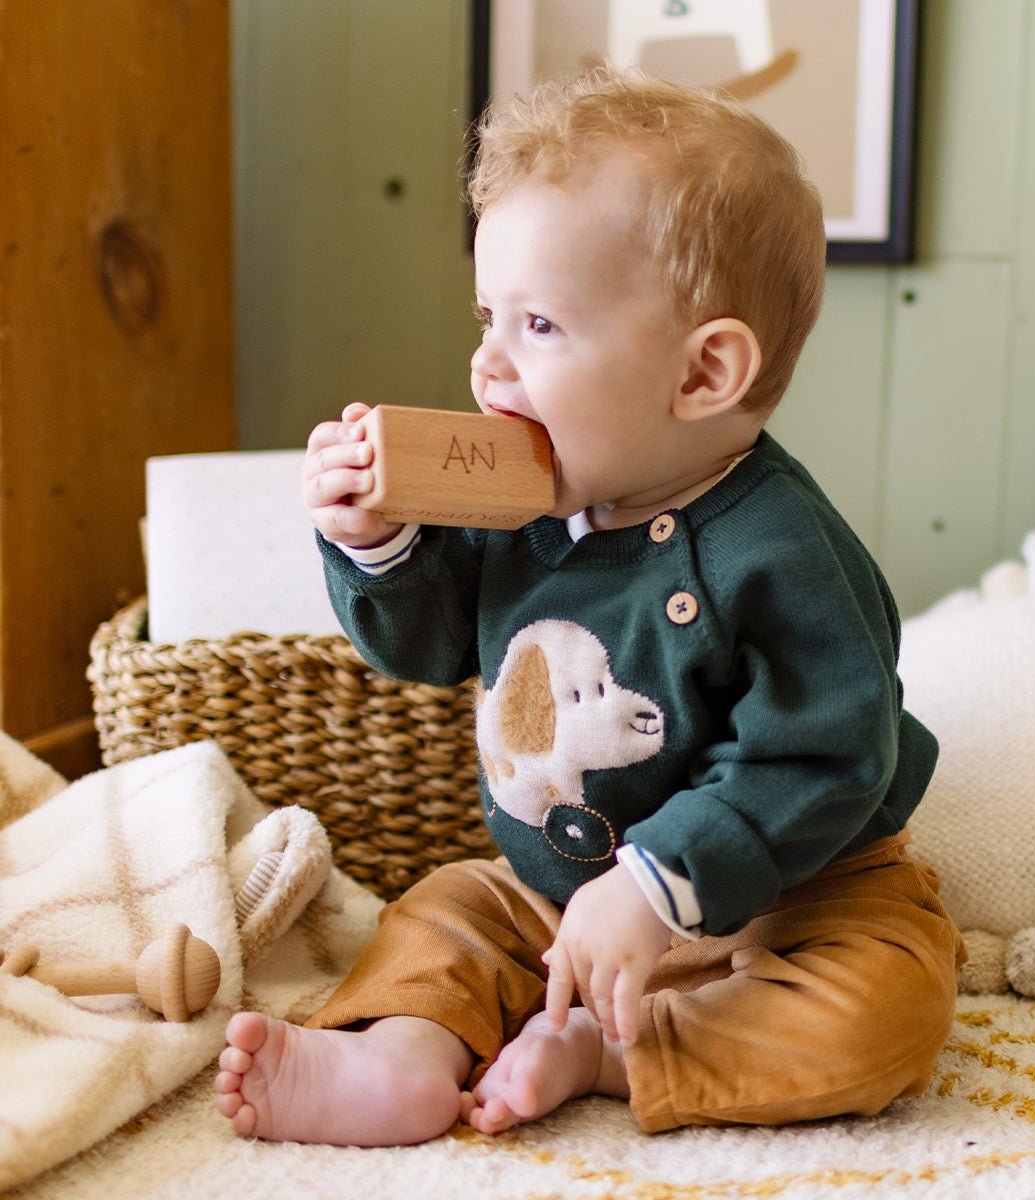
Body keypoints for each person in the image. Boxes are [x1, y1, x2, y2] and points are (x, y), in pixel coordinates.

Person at [215, 64, 965, 1147]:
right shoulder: (521, 499)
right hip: (556, 897)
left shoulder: (781, 553)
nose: (486, 367)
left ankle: (614, 1053)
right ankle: (401, 1057)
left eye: (541, 328)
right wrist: (374, 544)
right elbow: (427, 649)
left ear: (704, 374)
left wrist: (663, 886)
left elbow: (828, 753)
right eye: (487, 318)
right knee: (446, 911)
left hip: (794, 898)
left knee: (889, 1010)